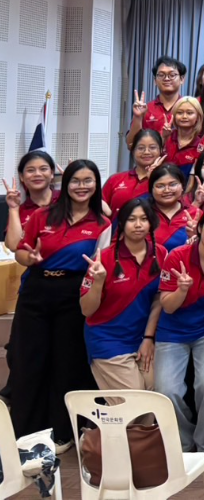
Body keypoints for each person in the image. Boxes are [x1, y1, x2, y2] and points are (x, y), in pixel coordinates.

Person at [11, 160, 111, 444]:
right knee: (29, 362)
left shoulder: (102, 224)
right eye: (75, 180)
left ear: (96, 185)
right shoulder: (42, 215)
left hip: (73, 294)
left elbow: (101, 264)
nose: (82, 186)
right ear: (65, 184)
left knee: (65, 363)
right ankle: (26, 433)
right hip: (36, 291)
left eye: (88, 180)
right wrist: (30, 258)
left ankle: (62, 432)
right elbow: (20, 252)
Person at [157, 205, 204, 455]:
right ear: (200, 227)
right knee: (167, 390)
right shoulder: (177, 256)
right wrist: (182, 289)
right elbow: (167, 307)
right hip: (172, 330)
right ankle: (182, 441)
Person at [80, 198, 164, 392]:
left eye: (144, 219)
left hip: (142, 338)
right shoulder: (104, 258)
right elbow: (86, 310)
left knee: (158, 392)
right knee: (136, 399)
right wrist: (98, 281)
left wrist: (148, 338)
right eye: (131, 219)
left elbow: (158, 300)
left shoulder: (160, 254)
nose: (138, 224)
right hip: (108, 339)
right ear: (122, 223)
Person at [3, 149, 58, 253]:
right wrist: (13, 209)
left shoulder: (66, 200)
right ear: (21, 177)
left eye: (43, 169)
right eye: (30, 170)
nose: (37, 174)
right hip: (34, 262)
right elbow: (14, 246)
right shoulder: (21, 209)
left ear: (51, 173)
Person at [128, 55, 187, 149]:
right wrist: (138, 117)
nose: (166, 78)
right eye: (161, 75)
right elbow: (131, 144)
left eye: (172, 75)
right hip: (151, 158)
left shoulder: (189, 108)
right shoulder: (146, 109)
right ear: (155, 81)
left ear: (182, 79)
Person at [104, 129, 164, 215]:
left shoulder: (166, 181)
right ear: (133, 150)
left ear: (161, 150)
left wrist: (154, 179)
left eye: (152, 147)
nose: (146, 152)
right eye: (141, 148)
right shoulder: (115, 179)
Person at [148, 164, 194, 251]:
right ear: (151, 189)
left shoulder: (195, 213)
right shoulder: (143, 213)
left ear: (182, 186)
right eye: (160, 186)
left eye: (172, 184)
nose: (167, 190)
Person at [162, 96, 204, 180]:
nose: (184, 116)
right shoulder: (166, 136)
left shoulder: (201, 145)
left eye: (189, 113)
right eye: (180, 113)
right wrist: (164, 138)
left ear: (198, 117)